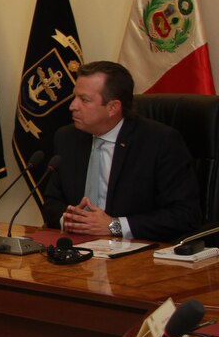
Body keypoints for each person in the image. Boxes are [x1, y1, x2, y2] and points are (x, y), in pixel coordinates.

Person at [40, 61, 201, 242]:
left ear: (113, 108)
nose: (72, 106)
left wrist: (113, 226)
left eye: (84, 100)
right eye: (75, 97)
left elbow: (185, 215)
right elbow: (52, 201)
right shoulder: (67, 138)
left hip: (136, 253)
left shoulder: (160, 142)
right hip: (77, 248)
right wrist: (71, 221)